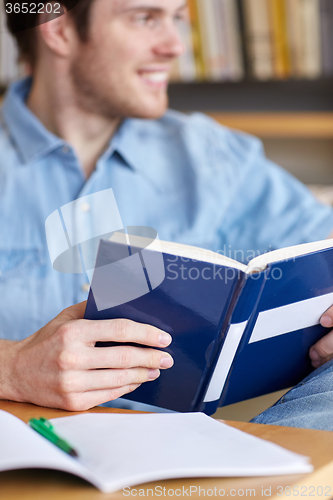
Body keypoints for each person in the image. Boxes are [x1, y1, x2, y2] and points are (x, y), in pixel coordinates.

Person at [1, 0, 333, 427]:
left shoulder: (215, 157)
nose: (176, 45)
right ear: (59, 29)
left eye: (176, 18)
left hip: (181, 461)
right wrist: (11, 369)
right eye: (145, 18)